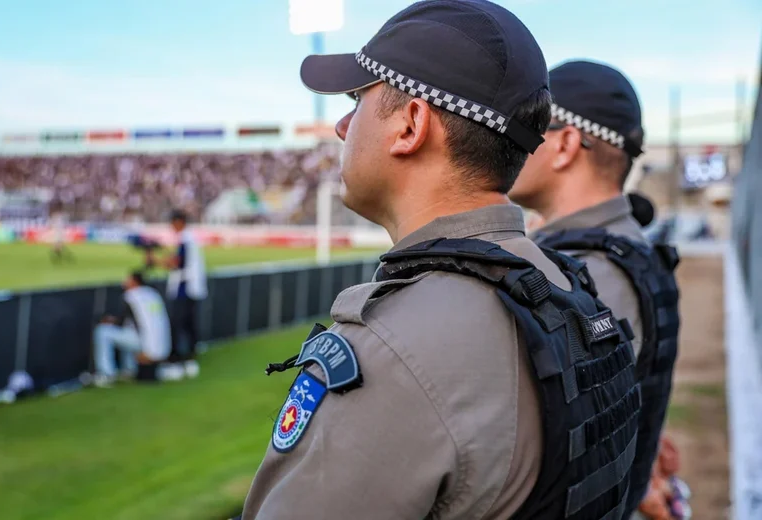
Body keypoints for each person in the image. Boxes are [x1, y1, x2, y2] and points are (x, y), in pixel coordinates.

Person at [240, 2, 640, 518]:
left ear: (410, 125)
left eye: (357, 99)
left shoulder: (390, 351)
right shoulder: (568, 283)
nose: (342, 125)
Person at [508, 60, 682, 518]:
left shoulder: (581, 274)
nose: (511, 140)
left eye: (527, 127)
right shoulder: (631, 252)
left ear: (565, 144)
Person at [91, 271, 172, 387]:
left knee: (102, 332)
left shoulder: (131, 296)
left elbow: (122, 321)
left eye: (127, 280)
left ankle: (106, 374)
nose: (124, 282)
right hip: (162, 344)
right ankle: (129, 369)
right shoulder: (152, 293)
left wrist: (109, 321)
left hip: (147, 344)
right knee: (128, 332)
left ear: (134, 282)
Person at [152, 209, 207, 379]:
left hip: (185, 287)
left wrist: (157, 261)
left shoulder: (185, 239)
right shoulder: (190, 239)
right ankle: (190, 352)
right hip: (192, 287)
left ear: (179, 222)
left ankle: (177, 356)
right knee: (189, 323)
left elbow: (178, 263)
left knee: (178, 322)